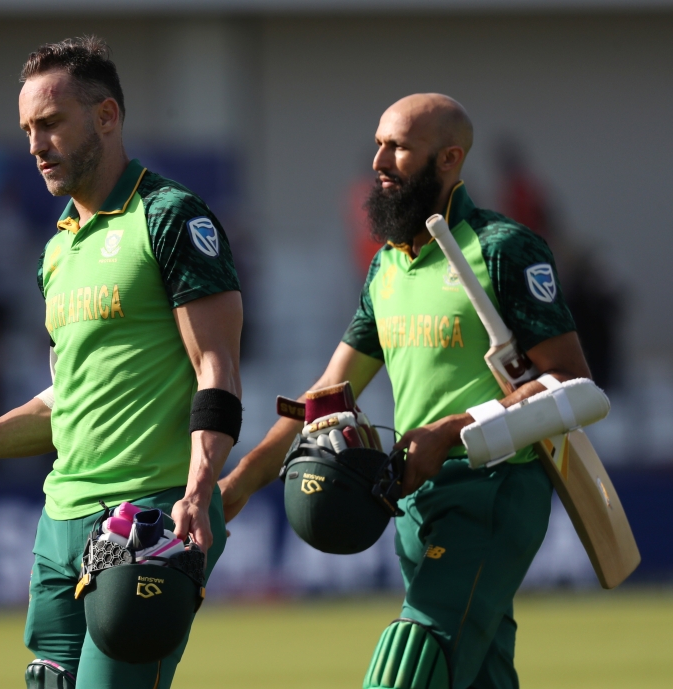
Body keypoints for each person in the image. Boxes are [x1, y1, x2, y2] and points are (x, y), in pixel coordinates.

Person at [0, 37, 242, 689]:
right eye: (27, 129)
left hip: (150, 517)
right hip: (62, 519)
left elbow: (217, 367)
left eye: (49, 123)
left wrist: (196, 491)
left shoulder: (169, 216)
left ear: (106, 117)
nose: (34, 144)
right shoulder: (57, 250)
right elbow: (63, 400)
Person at [219, 94, 591, 689]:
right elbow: (328, 392)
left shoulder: (502, 248)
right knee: (479, 674)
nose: (379, 160)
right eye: (378, 143)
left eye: (398, 147)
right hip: (412, 501)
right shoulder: (387, 266)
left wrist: (450, 431)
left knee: (414, 657)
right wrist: (241, 480)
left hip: (493, 492)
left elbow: (570, 380)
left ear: (448, 159)